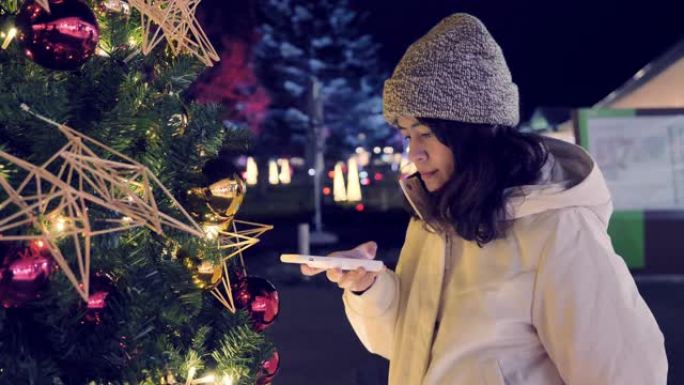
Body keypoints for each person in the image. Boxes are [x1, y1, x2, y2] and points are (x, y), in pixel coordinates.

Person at [301, 13, 668, 385]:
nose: (414, 153)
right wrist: (367, 285)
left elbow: (627, 372)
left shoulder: (558, 229)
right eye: (408, 134)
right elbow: (406, 347)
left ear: (473, 133)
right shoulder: (433, 222)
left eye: (426, 133)